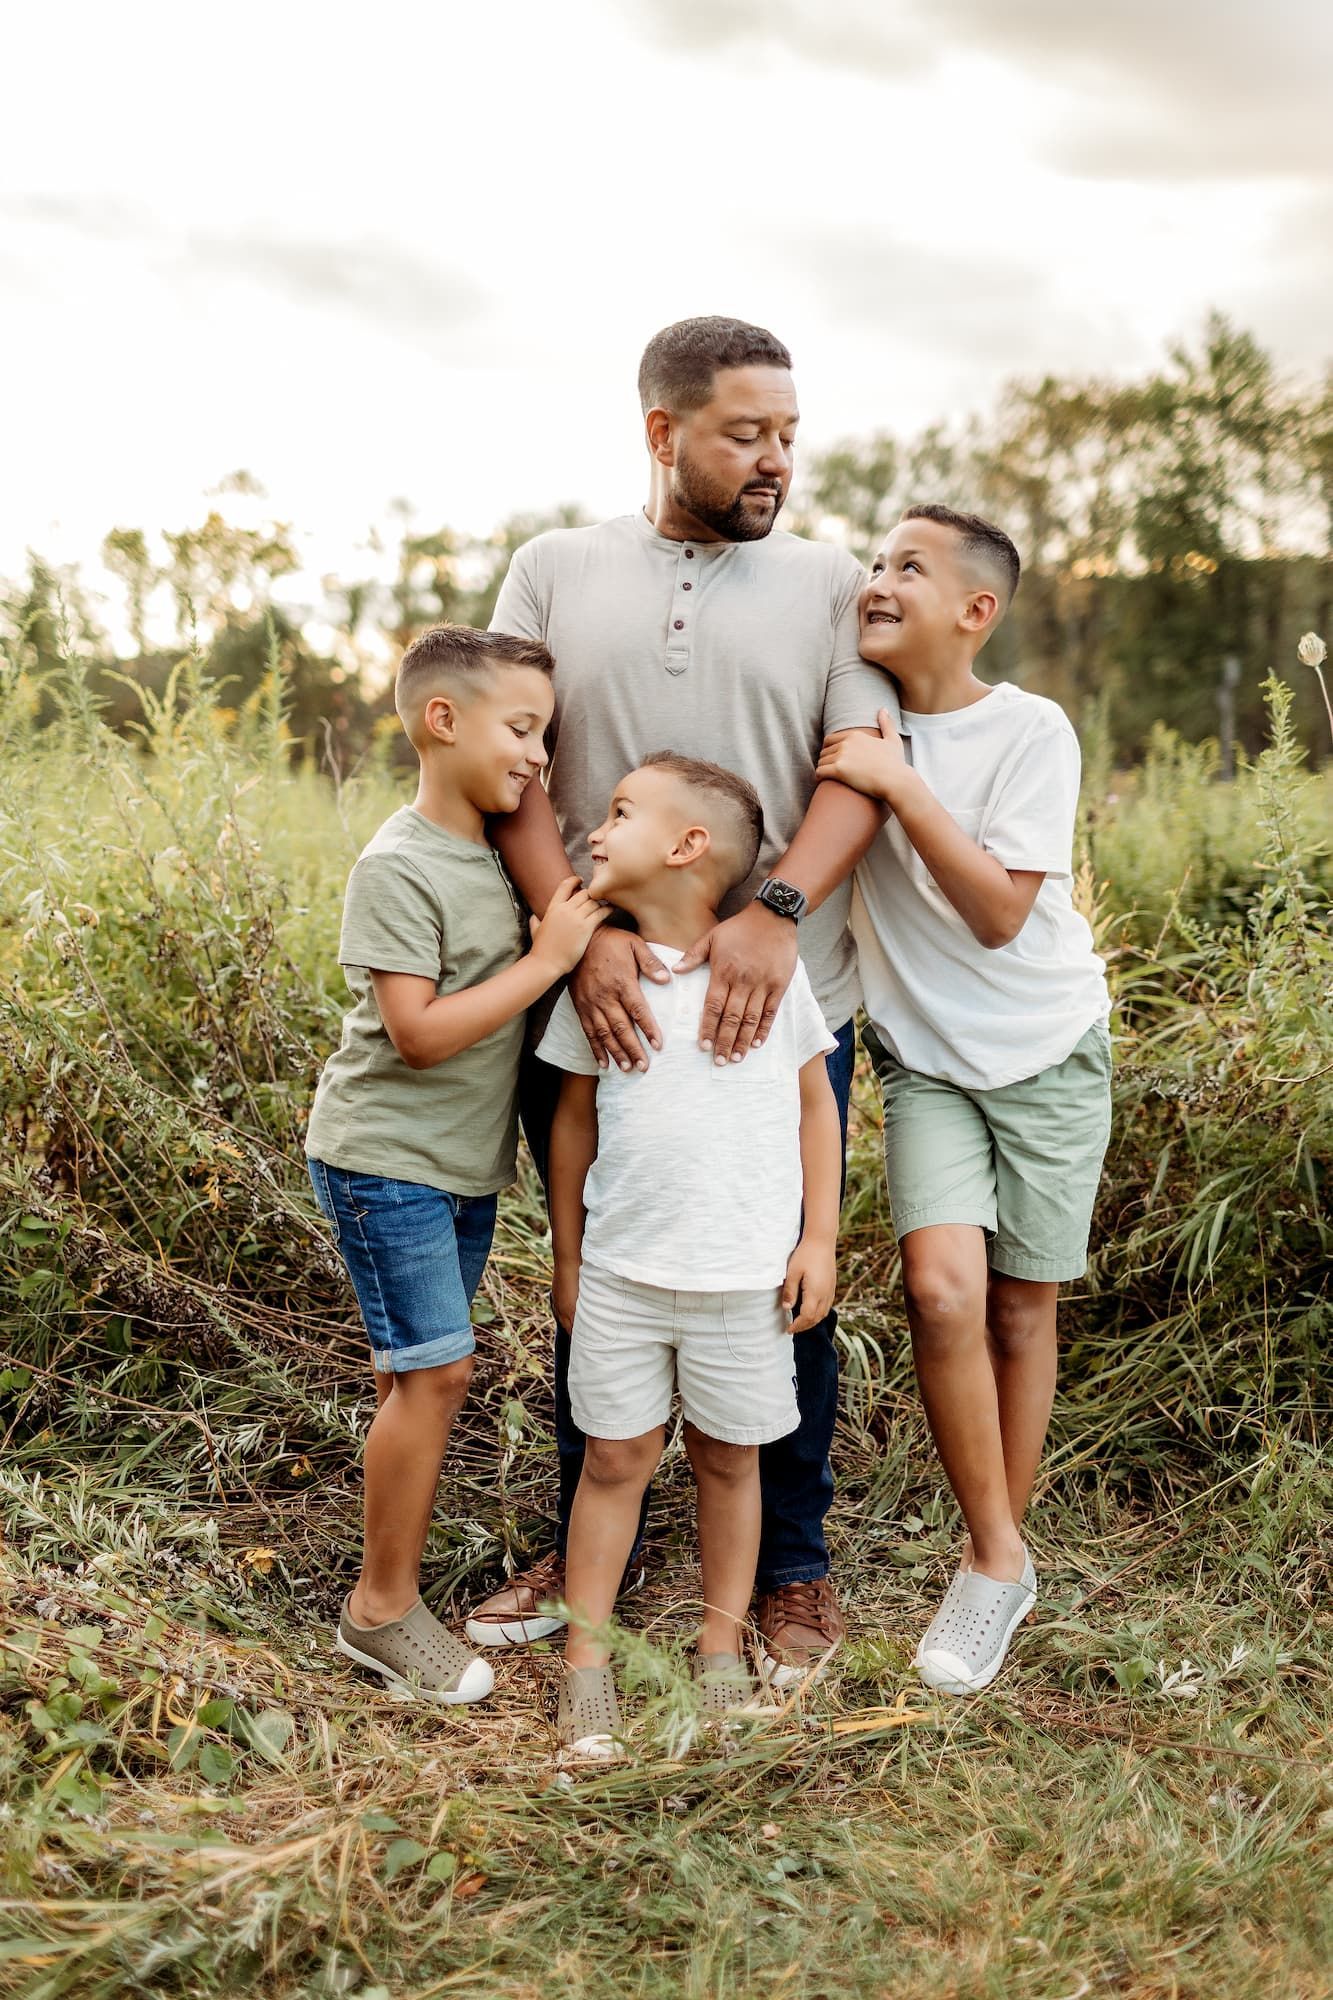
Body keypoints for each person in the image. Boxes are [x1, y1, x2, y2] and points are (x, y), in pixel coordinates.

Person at [464, 316, 897, 1685]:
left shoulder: (829, 582)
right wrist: (576, 931)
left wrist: (777, 911)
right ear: (663, 431)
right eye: (745, 433)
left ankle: (789, 1569)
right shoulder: (553, 568)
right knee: (602, 1261)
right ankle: (584, 1542)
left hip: (777, 995)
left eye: (788, 434)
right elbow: (515, 769)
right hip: (602, 994)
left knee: (778, 1281)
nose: (776, 459)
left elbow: (858, 768)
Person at [816, 504, 1112, 1696]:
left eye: (909, 567)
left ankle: (994, 1562)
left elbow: (997, 912)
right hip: (926, 1059)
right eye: (875, 561)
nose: (878, 579)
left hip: (1046, 1047)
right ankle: (997, 1556)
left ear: (975, 610)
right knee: (942, 1292)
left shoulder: (1029, 728)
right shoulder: (854, 718)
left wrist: (899, 783)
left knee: (1022, 1307)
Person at [305, 625, 607, 1702]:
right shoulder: (398, 864)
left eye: (544, 734)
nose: (537, 755)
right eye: (520, 729)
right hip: (384, 1158)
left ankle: (389, 1580)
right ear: (442, 720)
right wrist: (548, 957)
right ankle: (379, 1610)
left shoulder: (491, 855)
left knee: (414, 1375)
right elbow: (418, 1033)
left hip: (458, 1168)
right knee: (436, 1372)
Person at [534, 754, 842, 1756]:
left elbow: (816, 1107)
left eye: (619, 811)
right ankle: (585, 1659)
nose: (594, 829)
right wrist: (569, 1258)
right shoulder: (600, 981)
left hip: (742, 1281)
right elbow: (572, 1121)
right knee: (613, 1458)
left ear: (686, 845)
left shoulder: (770, 977)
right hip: (623, 1274)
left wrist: (819, 1239)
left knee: (727, 1458)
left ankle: (717, 1643)